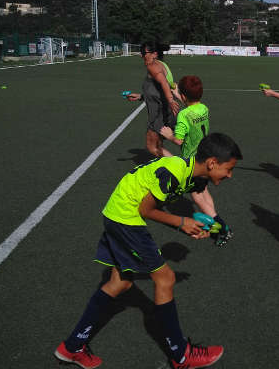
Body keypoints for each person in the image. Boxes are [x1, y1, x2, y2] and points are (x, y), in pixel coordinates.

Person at [54, 133, 243, 369]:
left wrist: (202, 227)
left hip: (117, 212)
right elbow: (146, 209)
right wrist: (181, 223)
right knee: (166, 278)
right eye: (229, 169)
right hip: (126, 217)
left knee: (120, 282)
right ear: (212, 163)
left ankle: (72, 347)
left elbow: (195, 199)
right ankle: (181, 356)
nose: (230, 175)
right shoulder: (175, 171)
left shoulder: (195, 175)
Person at [159, 75, 233, 246]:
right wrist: (179, 94)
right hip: (206, 156)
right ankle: (215, 223)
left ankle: (224, 229)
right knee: (204, 192)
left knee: (198, 197)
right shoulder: (204, 108)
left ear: (184, 96)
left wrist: (169, 135)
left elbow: (179, 140)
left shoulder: (183, 115)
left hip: (194, 163)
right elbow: (192, 108)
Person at [126, 43, 180, 157]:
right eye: (141, 53)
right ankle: (171, 165)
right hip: (166, 111)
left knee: (152, 146)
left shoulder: (153, 66)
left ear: (154, 54)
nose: (141, 56)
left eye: (144, 53)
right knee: (158, 145)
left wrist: (170, 100)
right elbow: (158, 90)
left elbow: (164, 83)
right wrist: (141, 97)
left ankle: (180, 165)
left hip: (160, 114)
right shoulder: (160, 65)